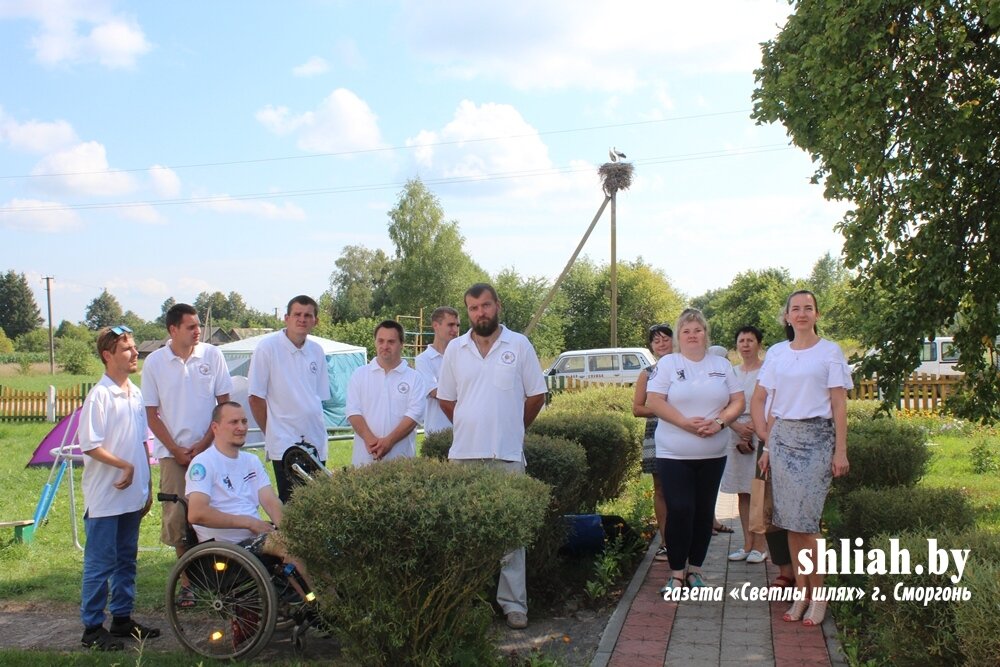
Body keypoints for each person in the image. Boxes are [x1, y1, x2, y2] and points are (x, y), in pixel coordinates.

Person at [437, 283, 547, 630]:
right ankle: (465, 603)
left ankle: (514, 605)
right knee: (463, 533)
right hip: (464, 456)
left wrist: (514, 427)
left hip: (507, 454)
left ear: (497, 305)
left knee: (512, 535)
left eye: (485, 305)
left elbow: (536, 395)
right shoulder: (455, 349)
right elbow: (446, 399)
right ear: (467, 311)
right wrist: (471, 422)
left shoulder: (519, 344)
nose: (480, 313)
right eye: (473, 308)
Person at [752, 289, 852, 627]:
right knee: (790, 524)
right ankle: (802, 593)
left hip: (817, 440)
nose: (802, 313)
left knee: (807, 524)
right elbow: (765, 398)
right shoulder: (778, 353)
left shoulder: (830, 352)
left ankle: (819, 596)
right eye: (796, 308)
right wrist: (767, 445)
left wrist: (841, 450)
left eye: (808, 308)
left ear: (817, 314)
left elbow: (839, 404)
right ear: (787, 316)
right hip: (782, 441)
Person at [646, 308, 744, 593]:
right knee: (680, 509)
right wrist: (685, 424)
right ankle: (677, 572)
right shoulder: (668, 364)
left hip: (713, 453)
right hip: (674, 453)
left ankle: (696, 571)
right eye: (686, 331)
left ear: (705, 334)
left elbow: (738, 401)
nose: (692, 335)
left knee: (703, 512)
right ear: (679, 336)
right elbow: (654, 401)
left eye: (697, 330)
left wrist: (719, 422)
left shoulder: (721, 365)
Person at [142, 303, 232, 602]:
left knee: (215, 515)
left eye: (198, 326)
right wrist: (176, 450)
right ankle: (187, 583)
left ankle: (222, 579)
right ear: (173, 329)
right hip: (173, 455)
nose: (198, 331)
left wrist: (205, 444)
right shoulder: (155, 363)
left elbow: (223, 405)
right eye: (191, 327)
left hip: (211, 451)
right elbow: (152, 414)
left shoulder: (212, 355)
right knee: (178, 519)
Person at [78, 325, 160, 651]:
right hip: (105, 497)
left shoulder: (135, 393)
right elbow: (90, 445)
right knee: (101, 563)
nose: (135, 353)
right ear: (108, 355)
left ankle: (122, 618)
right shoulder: (99, 396)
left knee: (127, 559)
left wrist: (147, 483)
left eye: (134, 347)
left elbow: (142, 441)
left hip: (131, 494)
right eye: (127, 349)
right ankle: (92, 628)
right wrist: (124, 466)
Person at [248, 295, 331, 502]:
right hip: (285, 443)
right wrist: (273, 432)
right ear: (286, 318)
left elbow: (317, 398)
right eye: (297, 314)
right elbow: (255, 398)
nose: (302, 319)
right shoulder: (267, 348)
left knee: (318, 503)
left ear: (315, 321)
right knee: (292, 505)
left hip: (315, 440)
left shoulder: (317, 351)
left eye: (307, 315)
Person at [346, 320, 426, 466]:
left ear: (401, 344)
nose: (385, 346)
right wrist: (370, 441)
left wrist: (389, 442)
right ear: (375, 342)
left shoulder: (415, 378)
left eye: (391, 342)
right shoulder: (359, 374)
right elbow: (353, 411)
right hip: (364, 462)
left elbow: (414, 415)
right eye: (381, 341)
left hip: (401, 462)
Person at [721, 326, 768, 563]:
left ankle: (760, 546)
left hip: (760, 432)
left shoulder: (768, 371)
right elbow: (721, 402)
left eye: (751, 340)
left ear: (759, 344)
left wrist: (753, 427)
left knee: (758, 490)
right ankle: (747, 544)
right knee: (743, 492)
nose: (746, 344)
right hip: (735, 433)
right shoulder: (731, 372)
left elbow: (772, 402)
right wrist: (737, 427)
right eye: (741, 340)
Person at [632, 323, 673, 561]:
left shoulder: (687, 368)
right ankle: (666, 542)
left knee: (683, 489)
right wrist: (663, 410)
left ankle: (686, 539)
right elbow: (637, 409)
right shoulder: (647, 373)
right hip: (656, 432)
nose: (661, 344)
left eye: (665, 339)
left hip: (684, 433)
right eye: (656, 341)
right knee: (660, 489)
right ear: (651, 346)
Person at [415, 306, 460, 435]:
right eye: (450, 325)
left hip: (465, 430)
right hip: (438, 431)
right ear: (436, 325)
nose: (455, 330)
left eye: (457, 325)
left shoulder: (463, 356)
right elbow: (436, 393)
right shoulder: (423, 360)